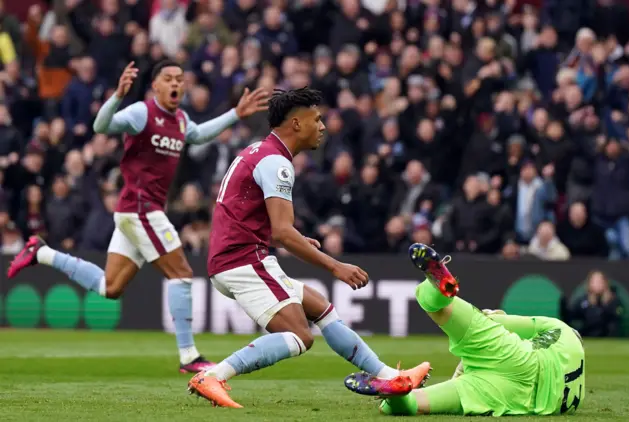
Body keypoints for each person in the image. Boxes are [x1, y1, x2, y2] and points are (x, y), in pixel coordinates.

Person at [6, 60, 268, 374]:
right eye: (168, 78)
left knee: (110, 287)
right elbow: (101, 127)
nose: (176, 84)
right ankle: (189, 356)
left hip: (135, 213)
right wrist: (117, 95)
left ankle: (41, 252)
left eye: (180, 79)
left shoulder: (181, 120)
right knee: (182, 274)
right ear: (155, 85)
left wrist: (235, 115)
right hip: (141, 208)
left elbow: (198, 135)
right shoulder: (142, 113)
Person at [187, 87, 431, 408]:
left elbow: (262, 222)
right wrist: (335, 266)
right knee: (301, 337)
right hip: (244, 261)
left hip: (237, 256)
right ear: (297, 124)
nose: (323, 126)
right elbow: (283, 233)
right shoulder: (277, 162)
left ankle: (387, 375)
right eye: (316, 119)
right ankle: (213, 375)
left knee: (321, 308)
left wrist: (296, 238)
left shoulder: (257, 151)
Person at [344, 243, 586, 417]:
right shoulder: (578, 395)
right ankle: (395, 394)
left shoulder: (562, 331)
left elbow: (497, 321)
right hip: (515, 397)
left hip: (519, 359)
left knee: (436, 305)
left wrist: (488, 318)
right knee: (415, 404)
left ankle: (439, 289)